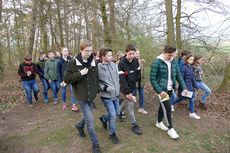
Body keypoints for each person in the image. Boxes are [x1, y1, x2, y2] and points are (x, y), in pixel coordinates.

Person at [63, 40, 101, 153]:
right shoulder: (73, 63)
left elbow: (96, 78)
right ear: (80, 50)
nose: (89, 53)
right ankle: (96, 145)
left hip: (91, 96)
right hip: (81, 96)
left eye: (91, 50)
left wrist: (97, 89)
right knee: (90, 120)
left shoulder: (94, 62)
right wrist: (80, 74)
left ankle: (79, 126)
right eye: (86, 51)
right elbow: (66, 79)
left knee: (87, 115)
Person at [150, 45, 187, 139]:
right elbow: (152, 79)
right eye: (169, 55)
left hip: (171, 89)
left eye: (172, 55)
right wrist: (159, 91)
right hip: (162, 90)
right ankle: (171, 129)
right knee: (168, 108)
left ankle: (159, 122)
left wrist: (184, 87)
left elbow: (178, 74)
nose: (171, 57)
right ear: (164, 52)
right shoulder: (156, 62)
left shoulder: (173, 61)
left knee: (162, 107)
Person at [118, 44, 142, 135]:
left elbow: (138, 72)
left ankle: (119, 112)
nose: (132, 56)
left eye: (133, 53)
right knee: (130, 105)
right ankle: (134, 125)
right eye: (130, 54)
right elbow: (122, 79)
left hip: (132, 86)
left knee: (125, 102)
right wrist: (127, 92)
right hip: (124, 88)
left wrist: (136, 80)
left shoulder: (135, 61)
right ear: (126, 53)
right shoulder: (121, 63)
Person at [98, 47, 120, 144]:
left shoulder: (114, 65)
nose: (111, 57)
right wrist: (105, 87)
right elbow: (96, 82)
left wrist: (118, 87)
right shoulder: (98, 67)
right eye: (109, 55)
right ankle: (112, 134)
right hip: (106, 96)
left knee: (117, 112)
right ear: (103, 57)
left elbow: (117, 78)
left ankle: (103, 119)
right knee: (113, 115)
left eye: (112, 55)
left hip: (115, 95)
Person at [171, 54, 200, 119]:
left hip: (190, 87)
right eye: (190, 59)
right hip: (184, 87)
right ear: (186, 60)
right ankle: (171, 103)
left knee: (191, 99)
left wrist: (196, 86)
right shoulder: (183, 68)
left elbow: (192, 78)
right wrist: (184, 88)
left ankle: (192, 113)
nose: (192, 61)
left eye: (192, 60)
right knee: (181, 98)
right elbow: (181, 79)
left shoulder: (190, 67)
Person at [133, 50, 148, 114]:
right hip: (134, 82)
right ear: (133, 54)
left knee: (141, 95)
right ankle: (130, 107)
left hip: (140, 82)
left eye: (139, 53)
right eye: (136, 53)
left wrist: (143, 80)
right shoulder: (131, 62)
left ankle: (141, 108)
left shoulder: (141, 61)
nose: (138, 55)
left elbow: (143, 72)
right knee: (134, 95)